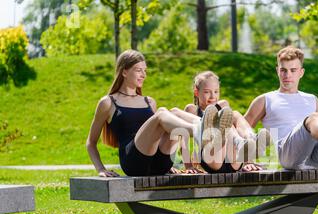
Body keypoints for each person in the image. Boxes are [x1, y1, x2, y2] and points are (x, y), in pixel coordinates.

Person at [86, 50, 231, 177]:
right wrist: (100, 169)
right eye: (138, 70)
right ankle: (202, 130)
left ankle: (210, 127)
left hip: (159, 164)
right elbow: (91, 143)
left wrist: (174, 164)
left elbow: (160, 134)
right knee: (162, 113)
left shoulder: (149, 102)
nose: (143, 75)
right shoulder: (108, 102)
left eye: (145, 70)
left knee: (174, 112)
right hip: (134, 163)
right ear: (124, 71)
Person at [171, 71, 271, 173]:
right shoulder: (192, 110)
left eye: (216, 91)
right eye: (207, 92)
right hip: (211, 159)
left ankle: (250, 139)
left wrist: (249, 162)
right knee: (220, 127)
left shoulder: (222, 105)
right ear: (197, 92)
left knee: (233, 115)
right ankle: (241, 143)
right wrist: (188, 166)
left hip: (232, 160)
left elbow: (232, 130)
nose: (212, 96)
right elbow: (183, 141)